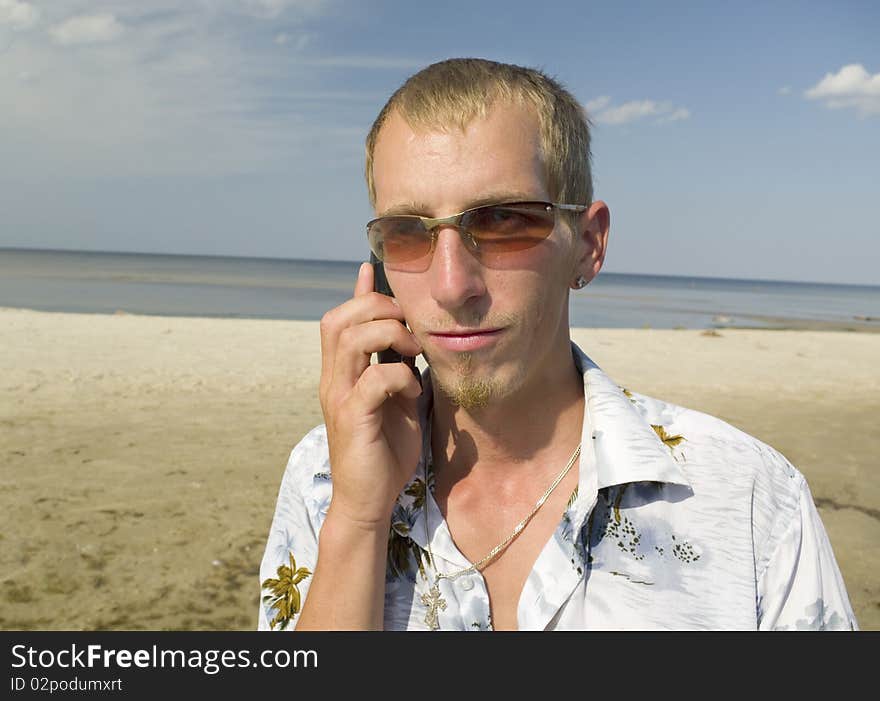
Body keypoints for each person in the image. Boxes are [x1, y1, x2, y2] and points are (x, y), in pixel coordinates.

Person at [257, 58, 858, 631]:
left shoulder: (749, 496)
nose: (450, 286)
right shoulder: (326, 476)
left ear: (589, 244)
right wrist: (359, 520)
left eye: (504, 221)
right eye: (409, 232)